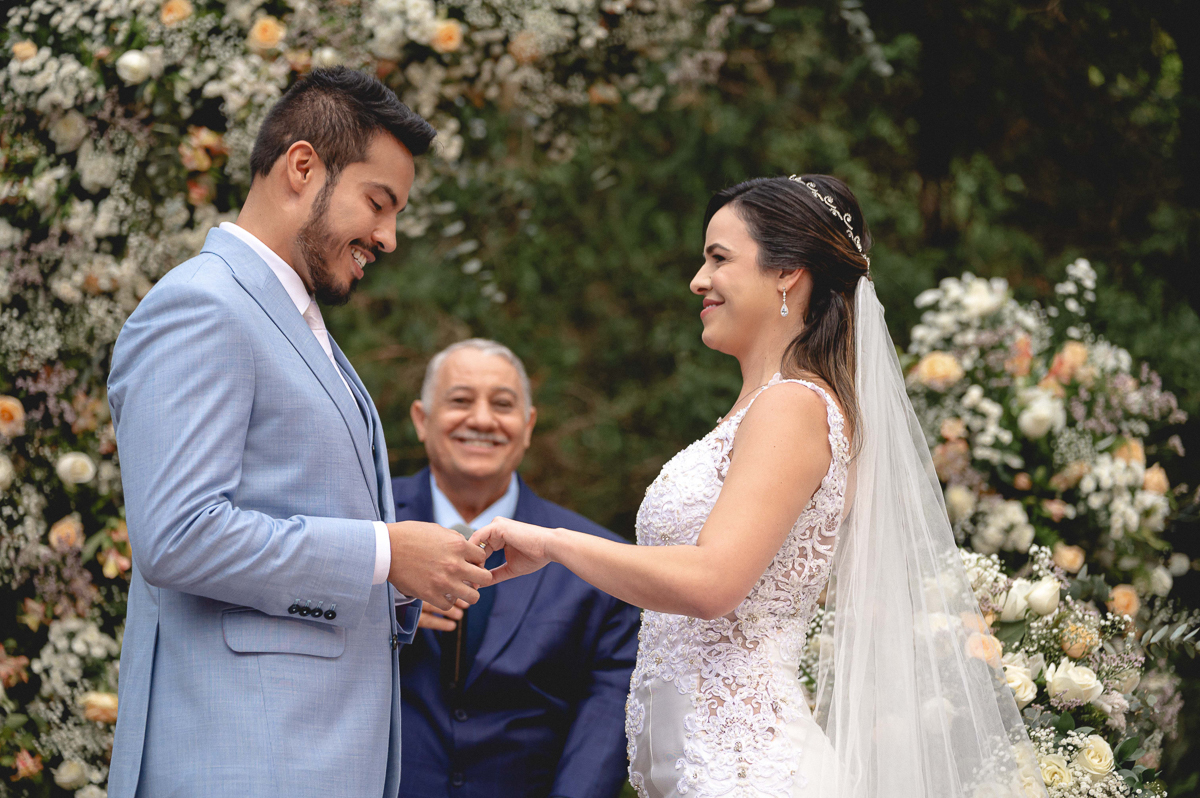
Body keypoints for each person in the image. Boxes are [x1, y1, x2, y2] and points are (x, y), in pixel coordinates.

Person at [472, 176, 1047, 798]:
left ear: (787, 274)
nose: (698, 280)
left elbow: (712, 582)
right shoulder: (761, 409)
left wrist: (555, 544)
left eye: (719, 258)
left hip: (747, 773)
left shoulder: (792, 406)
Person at [106, 68, 494, 798]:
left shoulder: (295, 321)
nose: (389, 237)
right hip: (242, 765)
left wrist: (404, 581)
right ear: (303, 167)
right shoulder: (202, 306)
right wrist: (385, 552)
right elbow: (179, 536)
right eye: (378, 203)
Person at [393, 339, 640, 798]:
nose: (482, 420)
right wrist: (382, 603)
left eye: (502, 405)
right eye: (460, 400)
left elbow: (603, 723)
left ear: (527, 427)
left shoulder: (597, 561)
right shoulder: (368, 527)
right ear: (421, 420)